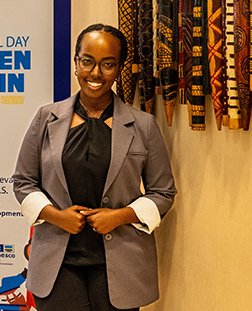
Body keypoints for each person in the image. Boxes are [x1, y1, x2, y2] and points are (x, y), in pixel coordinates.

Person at [12, 24, 177, 311]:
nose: (95, 73)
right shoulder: (45, 119)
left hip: (121, 267)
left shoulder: (143, 126)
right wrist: (57, 216)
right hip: (57, 265)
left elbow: (163, 192)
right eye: (87, 61)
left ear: (119, 68)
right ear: (76, 63)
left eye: (107, 64)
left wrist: (120, 216)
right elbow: (23, 182)